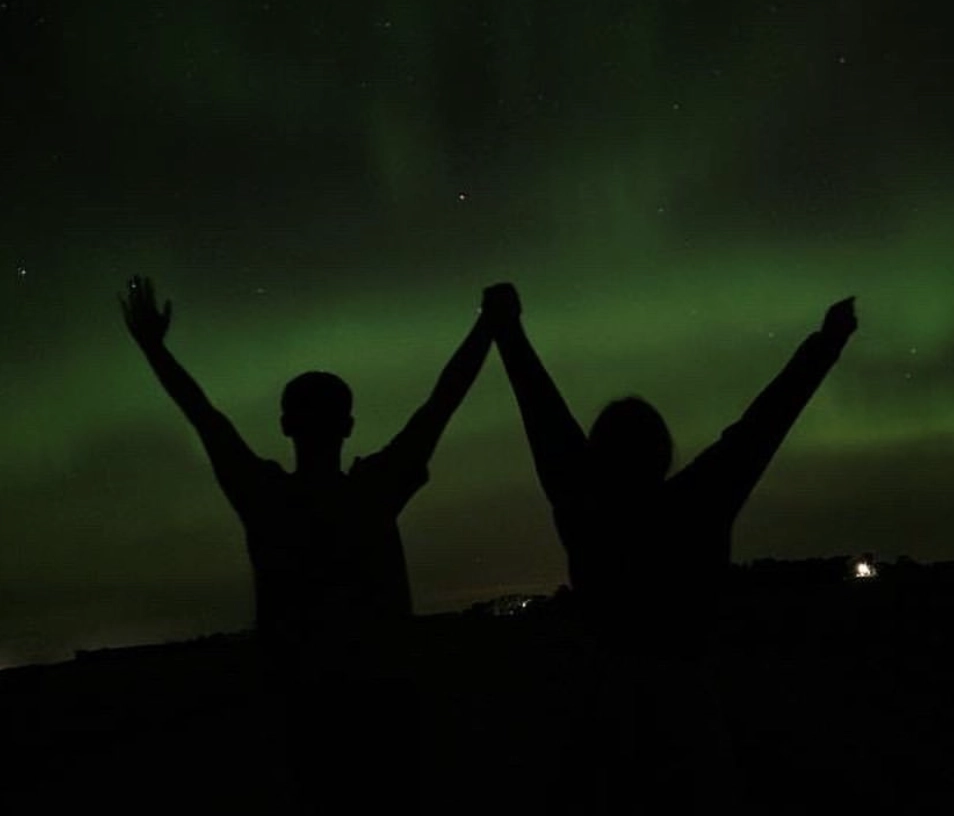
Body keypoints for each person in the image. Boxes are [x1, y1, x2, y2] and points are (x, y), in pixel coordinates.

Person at [120, 274, 493, 812]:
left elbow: (205, 416)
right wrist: (489, 325)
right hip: (381, 713)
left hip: (300, 713)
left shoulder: (265, 498)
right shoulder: (373, 491)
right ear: (348, 426)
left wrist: (154, 349)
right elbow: (442, 401)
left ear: (285, 424)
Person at [481, 282, 858, 813]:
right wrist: (826, 343)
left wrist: (507, 329)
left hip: (608, 704)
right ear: (662, 453)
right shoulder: (697, 503)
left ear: (596, 453)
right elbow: (762, 426)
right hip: (687, 705)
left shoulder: (584, 506)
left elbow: (544, 416)